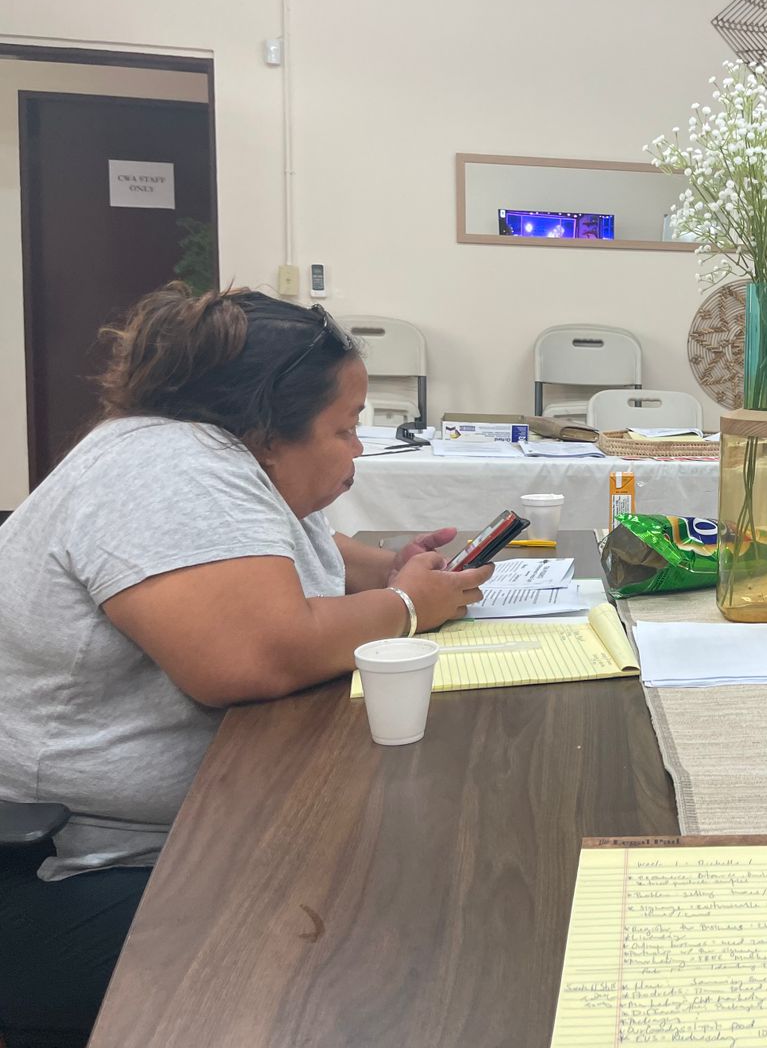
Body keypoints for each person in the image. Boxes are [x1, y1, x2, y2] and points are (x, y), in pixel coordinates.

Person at [0, 285, 491, 1046]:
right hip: (75, 871)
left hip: (192, 834)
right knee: (393, 951)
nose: (358, 450)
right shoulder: (167, 470)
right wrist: (405, 606)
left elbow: (297, 553)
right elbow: (255, 656)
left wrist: (392, 567)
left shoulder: (207, 455)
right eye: (345, 428)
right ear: (266, 429)